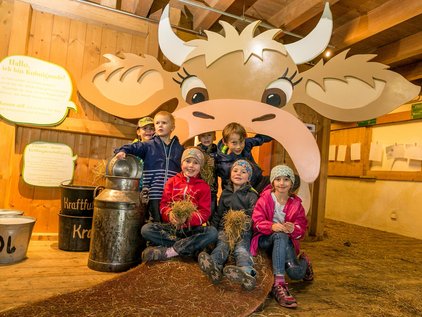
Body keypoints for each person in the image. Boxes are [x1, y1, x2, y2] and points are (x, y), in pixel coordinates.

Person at [251, 165, 314, 309]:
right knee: (279, 235)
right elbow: (256, 222)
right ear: (272, 182)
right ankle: (279, 284)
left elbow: (301, 229)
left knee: (296, 273)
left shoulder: (296, 205)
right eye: (278, 179)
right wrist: (271, 226)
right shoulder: (264, 199)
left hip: (286, 242)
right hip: (266, 239)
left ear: (291, 183)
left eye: (286, 179)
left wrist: (294, 229)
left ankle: (304, 261)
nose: (282, 183)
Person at [141, 147, 218, 262]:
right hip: (172, 228)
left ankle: (170, 251)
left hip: (192, 230)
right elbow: (164, 205)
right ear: (182, 163)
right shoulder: (172, 182)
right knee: (146, 229)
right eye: (188, 161)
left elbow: (204, 214)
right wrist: (170, 215)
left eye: (196, 163)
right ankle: (189, 249)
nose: (191, 166)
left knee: (212, 232)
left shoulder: (203, 187)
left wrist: (188, 218)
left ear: (200, 167)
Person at [199, 159, 258, 290]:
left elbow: (253, 215)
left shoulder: (251, 195)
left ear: (248, 178)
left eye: (243, 172)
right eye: (235, 171)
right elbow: (219, 214)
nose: (238, 174)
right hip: (225, 229)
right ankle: (214, 266)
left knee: (241, 249)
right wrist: (213, 229)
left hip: (243, 230)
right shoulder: (225, 193)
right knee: (222, 246)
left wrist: (243, 224)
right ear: (230, 174)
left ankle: (246, 271)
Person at [114, 111, 184, 222]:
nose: (160, 125)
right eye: (157, 123)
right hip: (153, 194)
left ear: (172, 127)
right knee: (154, 220)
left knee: (170, 222)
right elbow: (133, 147)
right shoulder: (148, 145)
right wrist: (122, 151)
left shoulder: (179, 149)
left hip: (173, 195)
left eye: (164, 123)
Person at [215, 122, 272, 194]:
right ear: (225, 142)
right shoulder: (223, 163)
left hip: (258, 180)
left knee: (275, 182)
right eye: (234, 143)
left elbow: (260, 139)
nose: (238, 146)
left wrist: (274, 133)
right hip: (243, 191)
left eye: (241, 142)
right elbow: (227, 185)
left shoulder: (246, 144)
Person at [197, 131, 218, 217]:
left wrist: (215, 164)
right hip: (198, 187)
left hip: (212, 188)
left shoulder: (218, 151)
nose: (206, 138)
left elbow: (222, 168)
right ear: (199, 138)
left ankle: (210, 226)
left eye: (209, 135)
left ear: (214, 137)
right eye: (203, 136)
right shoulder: (197, 150)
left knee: (211, 212)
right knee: (198, 210)